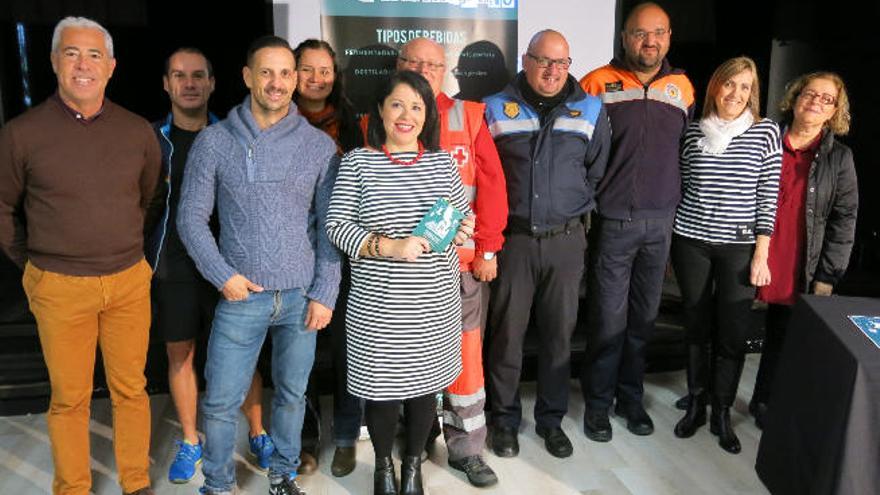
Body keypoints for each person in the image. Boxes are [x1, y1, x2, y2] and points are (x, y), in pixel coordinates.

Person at [0, 16, 160, 495]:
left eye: (94, 55)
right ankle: (73, 487)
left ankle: (136, 483)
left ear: (111, 67)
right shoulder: (21, 133)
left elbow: (150, 200)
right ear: (53, 62)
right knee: (70, 399)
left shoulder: (137, 132)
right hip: (59, 285)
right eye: (71, 53)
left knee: (131, 390)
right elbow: (4, 207)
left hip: (128, 281)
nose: (83, 64)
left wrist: (134, 252)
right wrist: (34, 267)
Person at [177, 35, 341, 495]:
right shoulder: (214, 142)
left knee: (292, 397)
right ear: (248, 77)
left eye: (286, 73)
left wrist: (325, 293)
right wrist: (222, 274)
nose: (277, 82)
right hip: (240, 296)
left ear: (295, 80)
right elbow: (190, 219)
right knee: (222, 402)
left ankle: (283, 476)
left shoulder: (317, 147)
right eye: (266, 72)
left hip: (299, 299)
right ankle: (217, 484)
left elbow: (331, 226)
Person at [326, 70, 475, 495]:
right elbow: (336, 227)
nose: (406, 115)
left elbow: (460, 217)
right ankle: (382, 470)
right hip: (379, 306)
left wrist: (464, 228)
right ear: (380, 110)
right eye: (397, 104)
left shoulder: (442, 162)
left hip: (433, 305)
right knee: (382, 392)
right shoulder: (358, 162)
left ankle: (412, 468)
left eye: (416, 106)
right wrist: (390, 247)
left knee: (425, 390)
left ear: (427, 116)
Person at [145, 47, 274, 483]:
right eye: (179, 76)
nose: (189, 83)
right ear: (166, 84)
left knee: (242, 353)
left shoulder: (236, 134)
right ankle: (189, 440)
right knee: (180, 353)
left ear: (213, 83)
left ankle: (257, 432)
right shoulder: (151, 139)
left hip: (231, 263)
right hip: (174, 266)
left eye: (198, 75)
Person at [483, 29, 610, 459]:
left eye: (561, 63)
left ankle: (551, 421)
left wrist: (567, 205)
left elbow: (596, 171)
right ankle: (503, 421)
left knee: (559, 336)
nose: (553, 71)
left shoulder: (590, 108)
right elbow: (486, 177)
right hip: (513, 243)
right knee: (507, 338)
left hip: (566, 242)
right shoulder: (494, 107)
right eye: (543, 61)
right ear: (526, 59)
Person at [577, 1, 695, 442]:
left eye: (659, 33)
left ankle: (630, 399)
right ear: (624, 37)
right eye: (641, 33)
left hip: (661, 222)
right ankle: (598, 404)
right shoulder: (594, 83)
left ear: (668, 37)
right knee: (607, 321)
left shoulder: (682, 87)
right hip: (612, 221)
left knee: (643, 321)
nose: (650, 41)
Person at [397, 36, 508, 488]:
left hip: (459, 268)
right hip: (404, 270)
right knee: (406, 359)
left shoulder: (470, 115)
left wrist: (487, 250)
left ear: (445, 72)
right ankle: (414, 441)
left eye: (433, 65)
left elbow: (493, 187)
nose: (424, 71)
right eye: (415, 63)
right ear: (398, 65)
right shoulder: (379, 117)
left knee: (465, 360)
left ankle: (466, 449)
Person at [670, 56, 781, 454]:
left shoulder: (766, 132)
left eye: (745, 87)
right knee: (697, 329)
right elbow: (681, 185)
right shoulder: (692, 131)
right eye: (730, 84)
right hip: (691, 243)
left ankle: (721, 410)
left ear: (753, 94)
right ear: (716, 86)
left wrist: (761, 254)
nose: (736, 94)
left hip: (739, 248)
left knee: (732, 335)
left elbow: (769, 197)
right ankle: (697, 403)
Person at [752, 72, 858, 427]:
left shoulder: (839, 158)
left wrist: (828, 275)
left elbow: (845, 221)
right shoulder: (763, 139)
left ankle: (765, 401)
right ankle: (710, 395)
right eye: (810, 93)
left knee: (783, 339)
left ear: (834, 111)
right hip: (753, 251)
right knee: (729, 328)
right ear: (795, 97)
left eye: (826, 99)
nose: (815, 101)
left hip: (799, 261)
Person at [291, 38, 363, 477]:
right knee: (299, 355)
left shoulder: (352, 123)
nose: (317, 79)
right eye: (307, 69)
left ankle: (346, 437)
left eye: (325, 70)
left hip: (343, 256)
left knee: (345, 351)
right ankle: (303, 439)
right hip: (294, 252)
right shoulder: (277, 120)